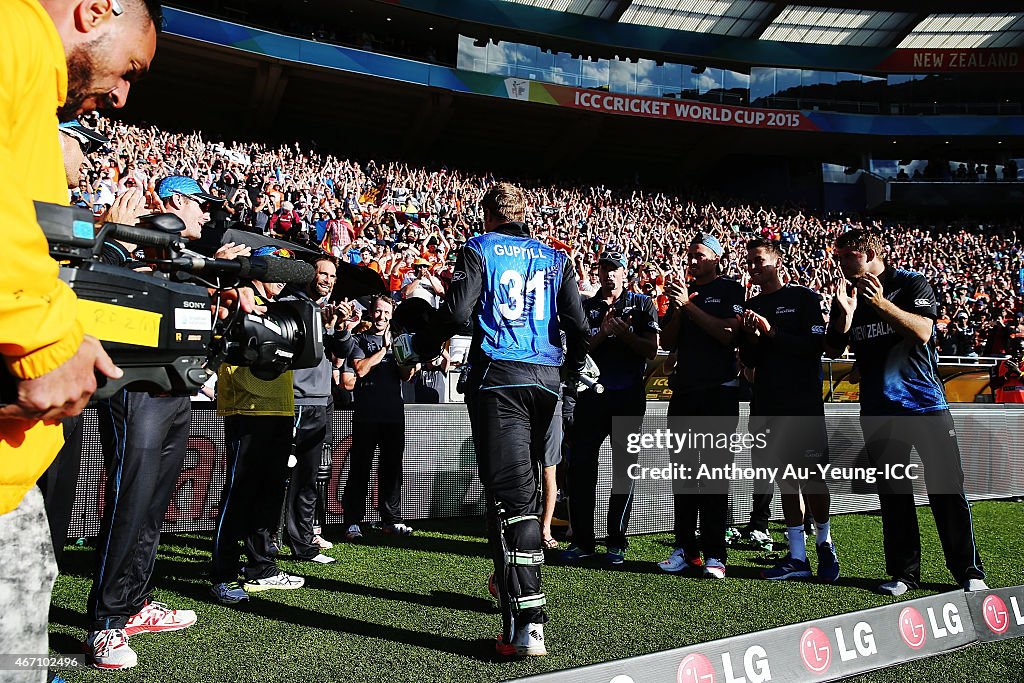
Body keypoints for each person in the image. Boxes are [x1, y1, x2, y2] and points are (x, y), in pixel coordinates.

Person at [1, 1, 158, 678]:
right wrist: (44, 341)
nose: (122, 93)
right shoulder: (18, 36)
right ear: (98, 9)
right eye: (131, 68)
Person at [396, 182, 589, 657]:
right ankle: (517, 604)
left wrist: (420, 344)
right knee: (520, 493)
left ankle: (527, 627)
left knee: (512, 504)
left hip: (499, 379)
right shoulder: (555, 256)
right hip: (546, 381)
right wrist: (569, 368)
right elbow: (579, 327)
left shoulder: (479, 247)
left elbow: (461, 314)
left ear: (486, 215)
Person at [84, 175, 238, 669]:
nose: (206, 215)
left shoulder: (188, 268)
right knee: (132, 502)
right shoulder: (129, 246)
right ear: (174, 203)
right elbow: (87, 284)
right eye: (198, 204)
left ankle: (134, 603)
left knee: (153, 506)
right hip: (137, 396)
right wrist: (112, 233)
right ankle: (105, 624)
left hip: (176, 397)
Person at [825, 228, 986, 596]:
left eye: (846, 255)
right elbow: (833, 349)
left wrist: (881, 305)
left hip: (925, 404)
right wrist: (843, 317)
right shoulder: (849, 294)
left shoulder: (911, 283)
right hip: (879, 411)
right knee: (893, 495)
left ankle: (968, 571)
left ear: (868, 253)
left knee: (946, 491)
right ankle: (903, 574)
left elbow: (924, 332)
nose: (840, 261)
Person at [210, 248, 312, 604]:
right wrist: (232, 285)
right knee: (239, 495)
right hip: (245, 409)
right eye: (276, 268)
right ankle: (223, 574)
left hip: (281, 408)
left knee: (269, 495)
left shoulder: (285, 307)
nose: (283, 277)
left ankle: (261, 568)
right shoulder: (235, 298)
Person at [739, 239, 839, 582]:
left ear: (778, 263)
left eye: (760, 260)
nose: (753, 265)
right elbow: (750, 363)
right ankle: (797, 556)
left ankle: (825, 544)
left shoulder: (804, 299)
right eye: (750, 260)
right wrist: (752, 339)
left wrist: (771, 330)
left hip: (802, 405)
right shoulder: (749, 305)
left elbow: (813, 348)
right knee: (785, 481)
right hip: (767, 405)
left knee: (812, 478)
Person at [562, 250, 658, 566]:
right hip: (592, 398)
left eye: (614, 269)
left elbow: (651, 349)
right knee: (581, 468)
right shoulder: (588, 307)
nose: (608, 275)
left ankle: (616, 542)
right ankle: (583, 541)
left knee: (623, 472)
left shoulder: (642, 304)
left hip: (628, 396)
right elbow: (577, 352)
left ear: (624, 272)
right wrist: (603, 332)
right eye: (603, 269)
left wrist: (626, 333)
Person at [658, 233, 744, 579]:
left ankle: (715, 553)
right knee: (684, 475)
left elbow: (728, 334)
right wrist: (680, 306)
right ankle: (684, 548)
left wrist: (690, 307)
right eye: (689, 255)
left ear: (716, 259)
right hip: (685, 394)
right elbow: (667, 340)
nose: (691, 260)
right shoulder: (684, 294)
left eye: (699, 255)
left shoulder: (730, 290)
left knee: (713, 475)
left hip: (718, 395)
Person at [281, 256, 354, 561]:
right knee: (283, 476)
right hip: (292, 400)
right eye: (322, 273)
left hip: (320, 401)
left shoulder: (327, 311)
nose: (327, 279)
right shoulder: (289, 304)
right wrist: (321, 323)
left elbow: (345, 351)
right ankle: (268, 542)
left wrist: (339, 327)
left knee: (309, 477)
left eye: (332, 276)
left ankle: (304, 542)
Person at [340, 295, 418, 540]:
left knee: (392, 470)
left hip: (393, 415)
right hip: (366, 415)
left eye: (386, 312)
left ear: (392, 314)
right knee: (359, 469)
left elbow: (406, 375)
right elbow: (360, 369)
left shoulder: (399, 341)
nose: (381, 317)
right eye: (377, 312)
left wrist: (398, 351)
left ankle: (391, 519)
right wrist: (384, 349)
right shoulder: (359, 340)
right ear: (370, 313)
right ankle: (353, 521)